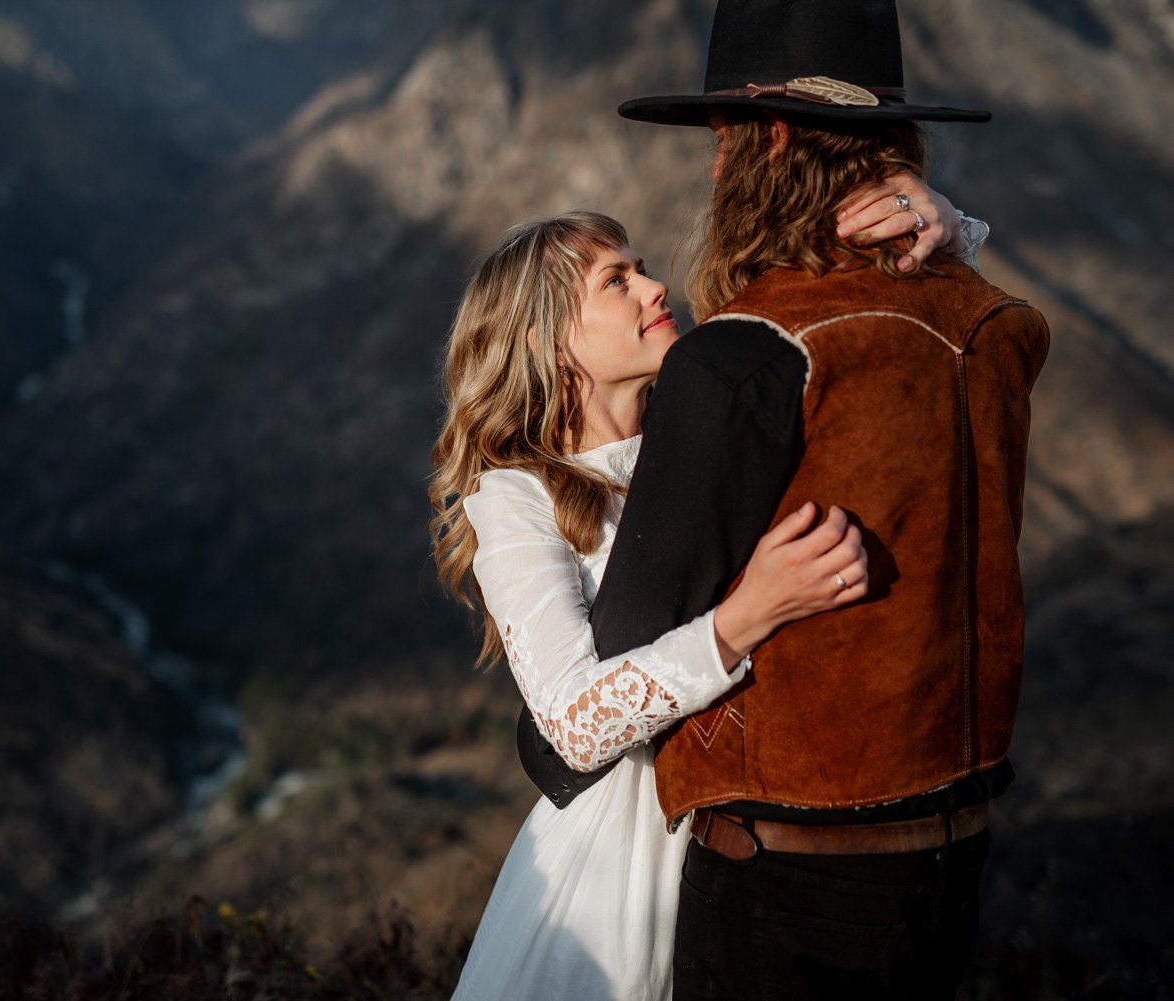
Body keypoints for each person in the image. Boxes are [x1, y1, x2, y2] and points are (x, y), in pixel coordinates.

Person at [581, 2, 1052, 998]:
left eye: (722, 142)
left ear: (772, 139)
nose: (714, 171)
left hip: (788, 875)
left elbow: (625, 645)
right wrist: (948, 224)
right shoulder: (999, 325)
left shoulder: (742, 356)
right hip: (955, 851)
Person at [430, 178, 982, 999]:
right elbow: (574, 724)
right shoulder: (517, 498)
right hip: (618, 860)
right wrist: (744, 616)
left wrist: (953, 233)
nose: (655, 287)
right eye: (615, 281)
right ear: (549, 343)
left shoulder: (712, 434)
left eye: (641, 268)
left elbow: (873, 358)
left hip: (763, 825)